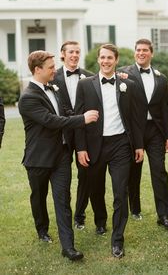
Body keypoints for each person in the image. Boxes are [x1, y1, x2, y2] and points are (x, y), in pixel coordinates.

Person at [18, 50, 99, 261]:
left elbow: (66, 113)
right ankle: (42, 229)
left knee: (62, 199)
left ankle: (68, 247)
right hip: (39, 158)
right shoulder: (27, 98)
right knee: (39, 197)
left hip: (62, 155)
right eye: (51, 67)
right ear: (38, 70)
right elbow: (52, 121)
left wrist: (81, 116)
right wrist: (83, 119)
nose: (55, 70)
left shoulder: (55, 87)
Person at [74, 43, 144, 258]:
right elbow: (78, 119)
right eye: (102, 58)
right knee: (96, 189)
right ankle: (100, 221)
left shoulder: (128, 85)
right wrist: (81, 148)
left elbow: (135, 118)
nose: (105, 61)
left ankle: (117, 240)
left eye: (109, 58)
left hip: (121, 145)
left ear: (116, 60)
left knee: (120, 192)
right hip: (95, 146)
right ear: (98, 60)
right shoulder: (85, 85)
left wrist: (139, 144)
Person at [118, 38, 168, 229]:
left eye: (145, 50)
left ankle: (164, 215)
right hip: (134, 130)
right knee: (133, 171)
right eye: (138, 50)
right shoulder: (123, 75)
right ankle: (134, 208)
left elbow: (163, 108)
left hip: (156, 131)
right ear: (135, 52)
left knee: (159, 171)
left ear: (151, 53)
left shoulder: (161, 78)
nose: (141, 53)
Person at [52, 40, 94, 230]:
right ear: (63, 54)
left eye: (77, 52)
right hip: (63, 135)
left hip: (86, 134)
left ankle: (80, 215)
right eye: (71, 52)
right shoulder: (52, 77)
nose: (75, 55)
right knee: (64, 178)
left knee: (85, 175)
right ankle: (65, 215)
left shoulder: (89, 76)